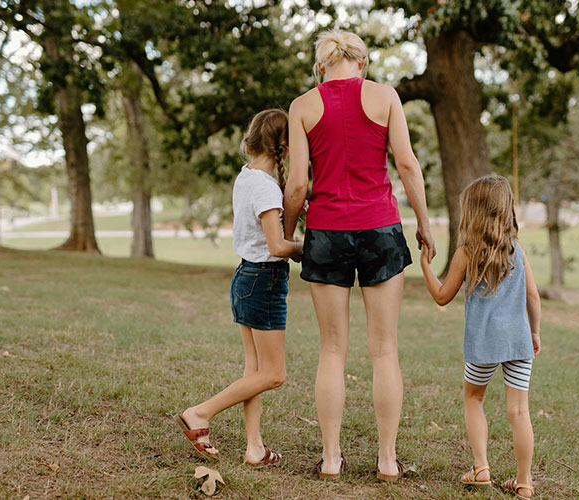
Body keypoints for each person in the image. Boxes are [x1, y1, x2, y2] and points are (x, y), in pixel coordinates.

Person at [283, 29, 436, 482]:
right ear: (362, 64)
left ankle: (331, 459)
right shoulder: (385, 96)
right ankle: (387, 460)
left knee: (332, 350)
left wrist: (288, 234)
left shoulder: (302, 106)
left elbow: (296, 185)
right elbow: (407, 164)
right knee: (384, 350)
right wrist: (424, 223)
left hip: (327, 232)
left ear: (320, 67)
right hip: (380, 230)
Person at [174, 109, 303, 466]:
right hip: (264, 279)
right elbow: (278, 247)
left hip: (246, 277)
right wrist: (310, 249)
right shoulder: (265, 187)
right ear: (284, 145)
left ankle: (255, 448)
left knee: (255, 372)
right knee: (274, 375)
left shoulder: (247, 176)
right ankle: (199, 413)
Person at [419, 175, 541, 499]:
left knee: (473, 398)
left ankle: (481, 467)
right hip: (518, 342)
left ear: (471, 212)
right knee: (519, 412)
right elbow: (533, 297)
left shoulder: (466, 252)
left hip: (482, 344)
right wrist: (534, 332)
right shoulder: (518, 251)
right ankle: (525, 482)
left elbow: (443, 296)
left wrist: (425, 267)